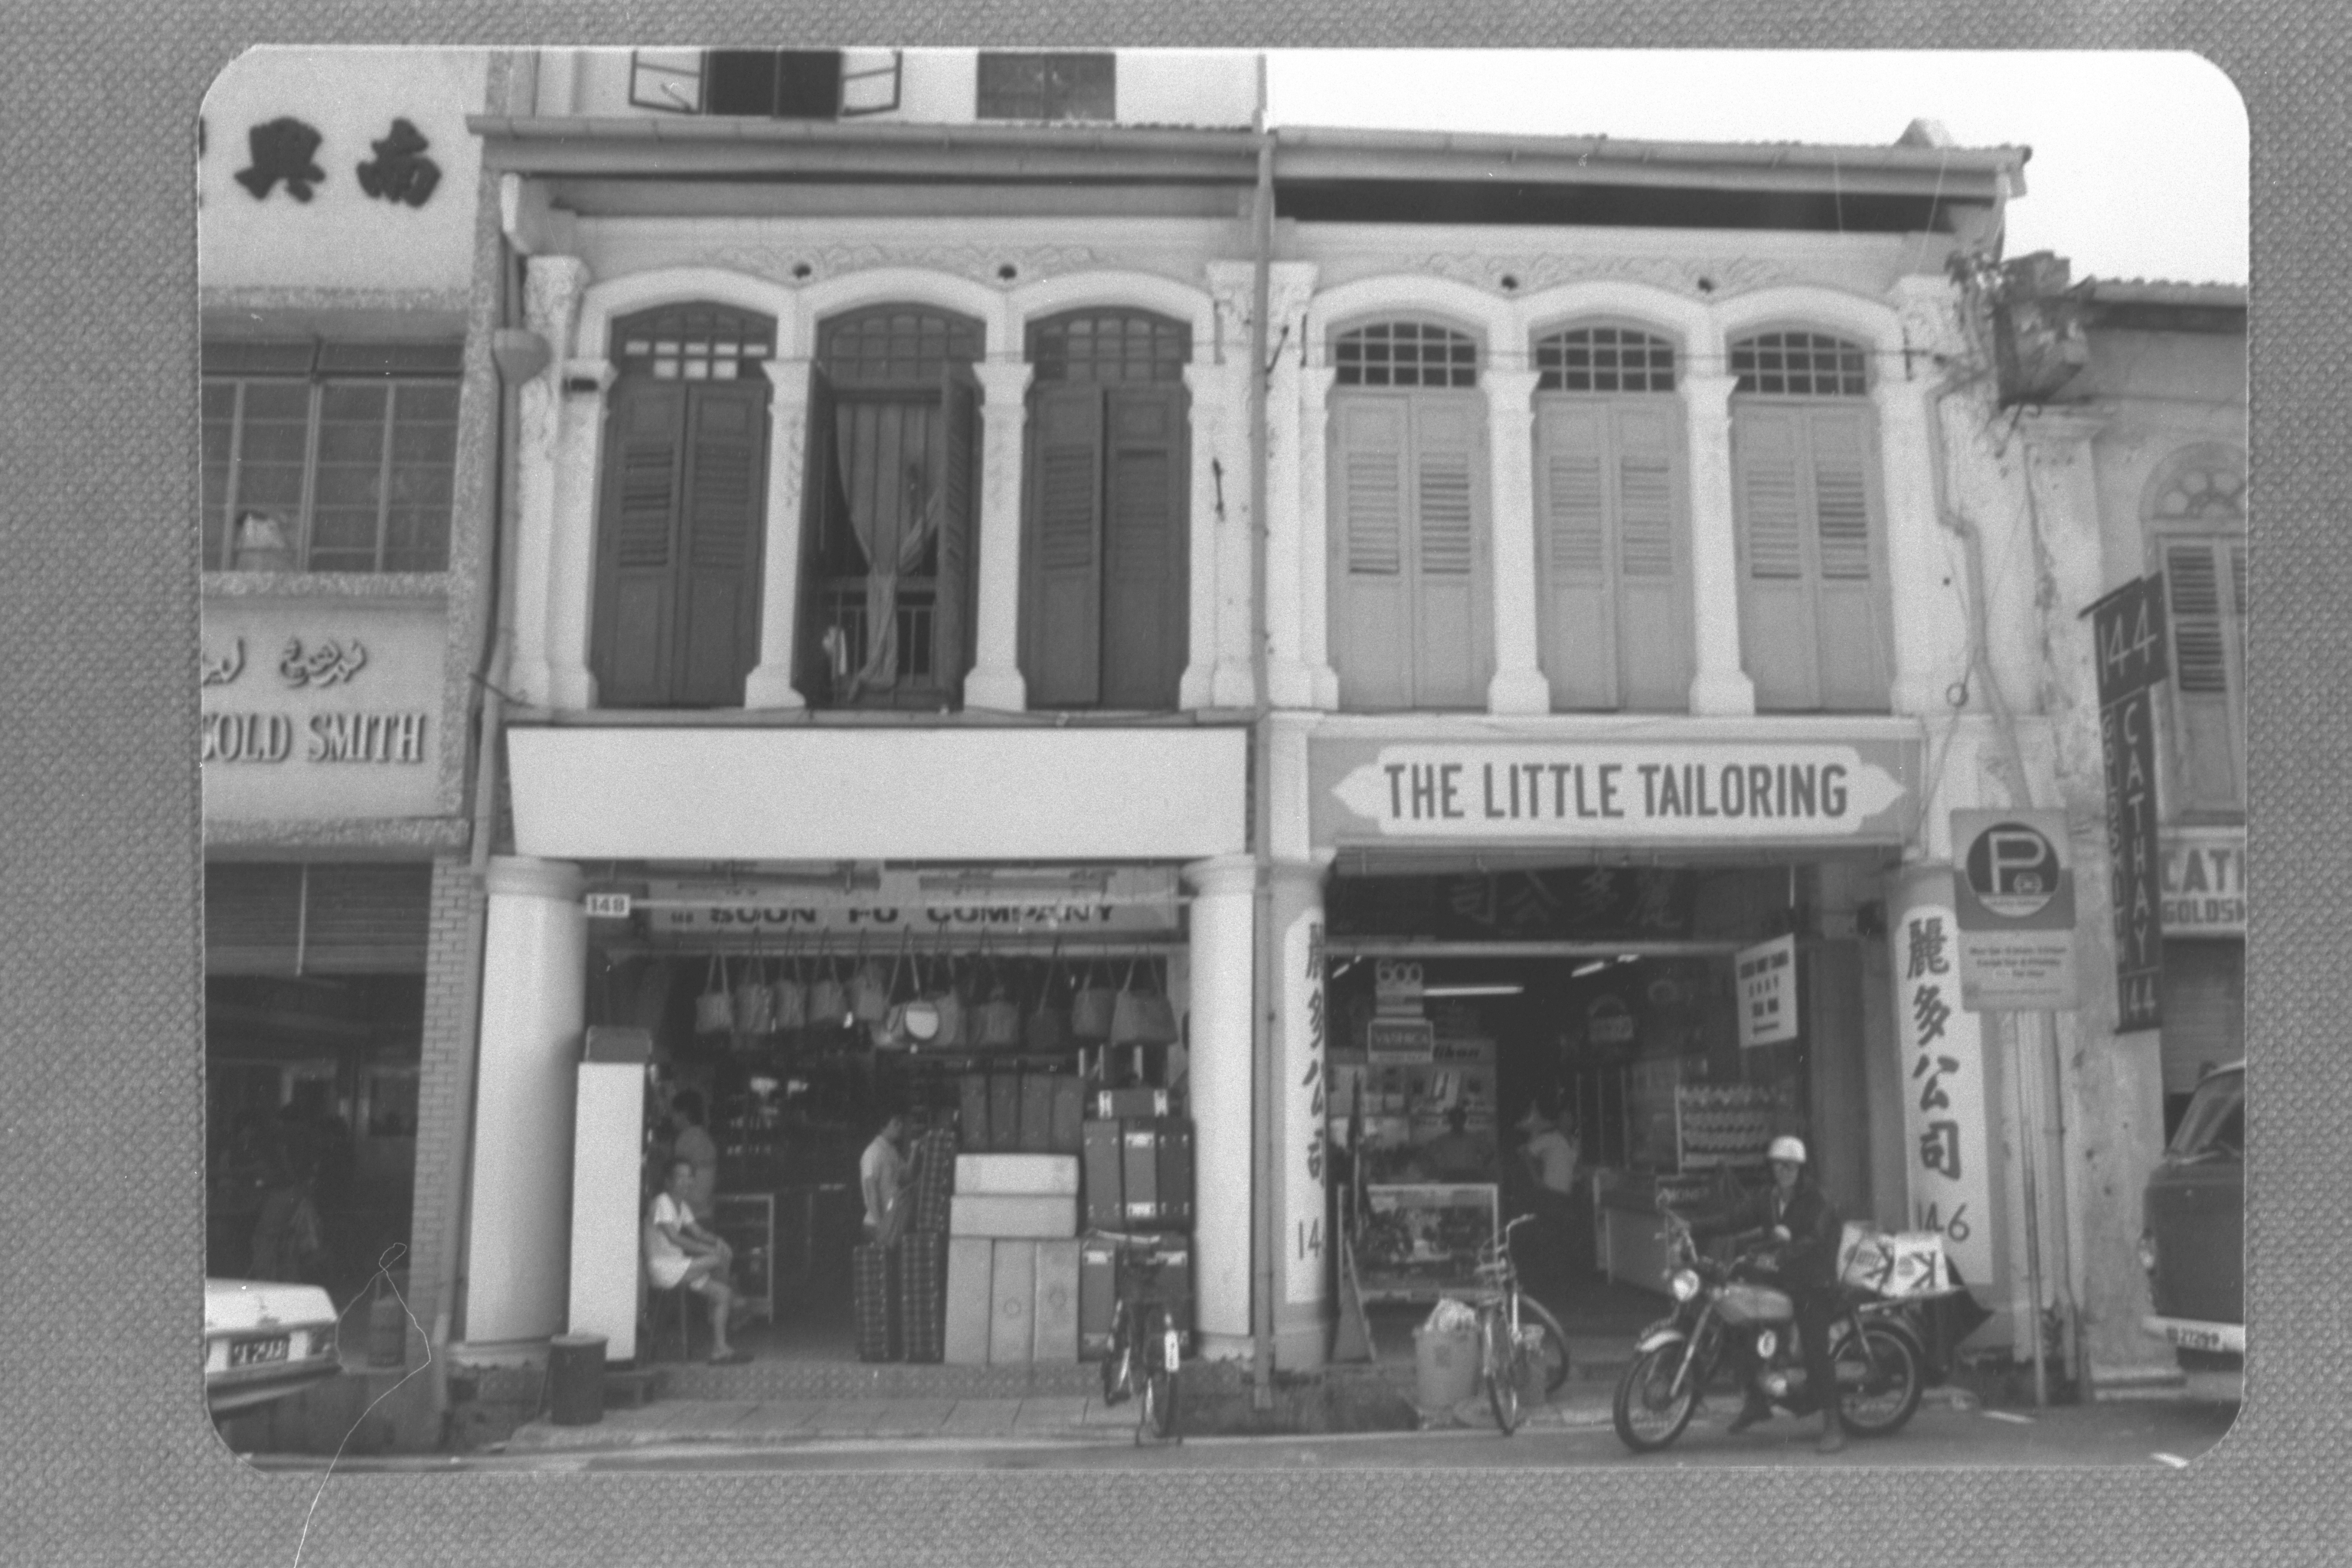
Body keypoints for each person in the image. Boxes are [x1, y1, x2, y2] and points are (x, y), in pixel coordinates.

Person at [1676, 1133, 1848, 1453]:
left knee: (1815, 1349)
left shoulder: (1817, 1201)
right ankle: (1756, 1401)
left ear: (1801, 1168)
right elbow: (1733, 1219)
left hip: (1813, 1281)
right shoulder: (1767, 1198)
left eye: (1789, 1166)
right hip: (1780, 1277)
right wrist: (1693, 1227)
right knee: (1737, 1321)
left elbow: (1815, 1238)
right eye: (1777, 1165)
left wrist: (1784, 1252)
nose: (1782, 1171)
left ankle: (1833, 1425)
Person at [645, 1157, 747, 1363]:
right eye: (679, 1176)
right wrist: (710, 1251)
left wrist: (718, 1241)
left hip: (681, 1266)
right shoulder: (662, 1202)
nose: (686, 1181)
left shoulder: (681, 1206)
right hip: (663, 1268)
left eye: (689, 1176)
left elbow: (698, 1232)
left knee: (723, 1294)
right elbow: (674, 1238)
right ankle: (737, 1300)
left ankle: (720, 1349)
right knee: (719, 1259)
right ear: (668, 1180)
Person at [1514, 1098, 1582, 1285]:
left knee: (1563, 1236)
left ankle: (1560, 1278)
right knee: (1550, 1236)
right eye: (1563, 1118)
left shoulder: (1574, 1142)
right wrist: (1536, 1178)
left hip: (1567, 1194)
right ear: (1557, 1120)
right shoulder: (1550, 1138)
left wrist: (1576, 1174)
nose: (1567, 1121)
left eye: (1570, 1118)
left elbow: (1572, 1166)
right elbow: (1526, 1153)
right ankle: (1548, 1279)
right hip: (1550, 1194)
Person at [668, 1089, 720, 1223]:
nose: (671, 1118)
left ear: (683, 1114)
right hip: (706, 1213)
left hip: (689, 1215)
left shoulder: (685, 1140)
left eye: (673, 1113)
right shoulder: (706, 1139)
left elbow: (677, 1182)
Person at [859, 1112, 910, 1246]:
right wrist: (881, 1226)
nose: (901, 1127)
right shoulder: (872, 1153)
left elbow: (907, 1175)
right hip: (877, 1224)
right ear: (883, 1127)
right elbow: (871, 1192)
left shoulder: (892, 1151)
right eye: (896, 1124)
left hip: (892, 1221)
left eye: (901, 1123)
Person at [1407, 1107, 1490, 1184]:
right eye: (1454, 1119)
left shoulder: (1475, 1138)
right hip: (1449, 1175)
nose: (1457, 1122)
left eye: (1460, 1119)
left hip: (1471, 1175)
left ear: (1464, 1120)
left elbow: (1488, 1154)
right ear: (1450, 1120)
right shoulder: (1441, 1139)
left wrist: (1480, 1167)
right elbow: (1427, 1154)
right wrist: (1437, 1167)